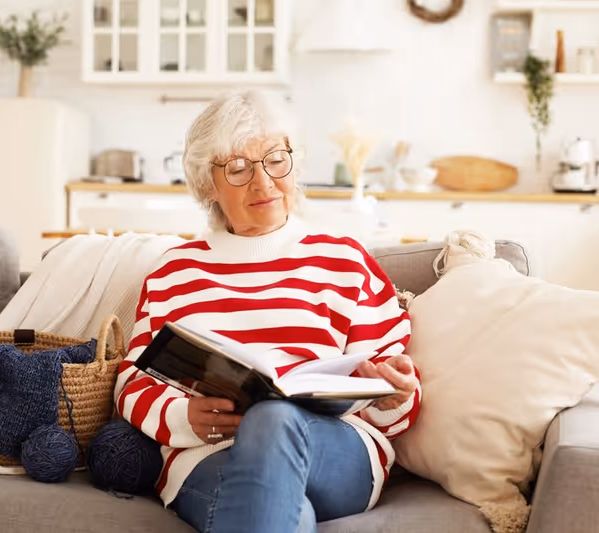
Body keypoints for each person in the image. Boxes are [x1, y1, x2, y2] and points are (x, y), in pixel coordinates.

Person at [113, 90, 421, 533]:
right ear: (207, 185)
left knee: (273, 417)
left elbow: (393, 390)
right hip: (210, 457)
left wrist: (395, 396)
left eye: (276, 160)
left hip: (333, 452)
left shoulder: (345, 262)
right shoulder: (175, 272)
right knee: (290, 517)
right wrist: (184, 419)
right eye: (238, 169)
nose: (264, 183)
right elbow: (132, 382)